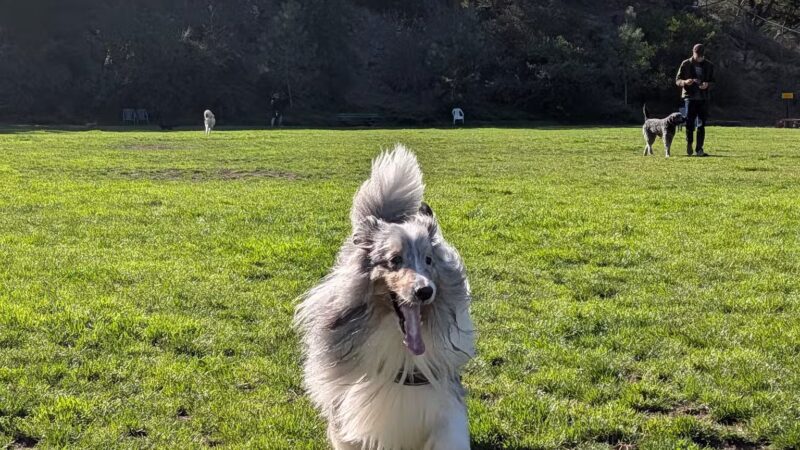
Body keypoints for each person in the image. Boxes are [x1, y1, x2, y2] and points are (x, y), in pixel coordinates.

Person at [675, 43, 715, 156]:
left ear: (703, 54)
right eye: (697, 55)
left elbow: (714, 82)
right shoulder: (685, 64)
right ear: (693, 52)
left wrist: (707, 85)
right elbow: (677, 80)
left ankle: (699, 149)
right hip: (689, 98)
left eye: (700, 56)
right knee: (689, 123)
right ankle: (689, 143)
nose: (699, 57)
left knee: (701, 124)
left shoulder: (709, 65)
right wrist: (685, 82)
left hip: (703, 99)